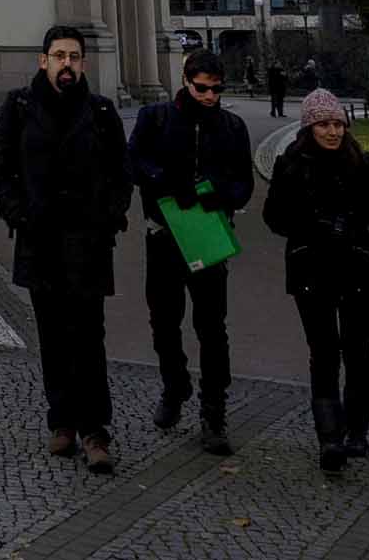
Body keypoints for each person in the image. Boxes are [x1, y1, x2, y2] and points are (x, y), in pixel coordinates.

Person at [0, 24, 133, 475]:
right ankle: (62, 422)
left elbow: (120, 172)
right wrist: (18, 213)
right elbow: (2, 166)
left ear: (83, 63)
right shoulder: (19, 108)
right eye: (58, 56)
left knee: (89, 336)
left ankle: (95, 430)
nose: (66, 64)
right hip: (40, 239)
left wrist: (110, 216)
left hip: (88, 241)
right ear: (43, 61)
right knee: (52, 336)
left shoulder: (101, 111)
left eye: (73, 56)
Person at [128, 48, 254, 453]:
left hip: (209, 235)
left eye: (216, 90)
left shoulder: (232, 127)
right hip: (164, 233)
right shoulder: (156, 117)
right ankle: (175, 383)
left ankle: (213, 411)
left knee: (212, 328)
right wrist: (163, 181)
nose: (210, 97)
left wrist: (224, 196)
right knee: (164, 321)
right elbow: (133, 161)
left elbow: (243, 182)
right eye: (202, 89)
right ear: (186, 81)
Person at [261, 89, 369, 471]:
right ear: (309, 127)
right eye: (323, 125)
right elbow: (274, 217)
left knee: (358, 349)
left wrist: (351, 219)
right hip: (312, 266)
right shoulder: (290, 164)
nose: (332, 132)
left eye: (337, 124)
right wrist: (310, 224)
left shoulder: (361, 162)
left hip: (357, 265)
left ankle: (357, 431)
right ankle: (329, 437)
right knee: (324, 352)